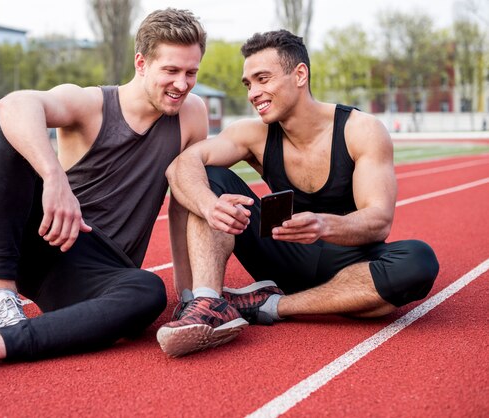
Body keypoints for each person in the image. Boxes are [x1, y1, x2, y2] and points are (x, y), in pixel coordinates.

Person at [0, 8, 208, 383]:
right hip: (52, 238)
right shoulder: (91, 104)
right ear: (141, 63)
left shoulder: (192, 115)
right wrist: (53, 177)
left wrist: (190, 294)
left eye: (191, 72)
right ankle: (2, 299)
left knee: (148, 291)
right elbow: (12, 104)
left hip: (101, 273)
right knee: (9, 137)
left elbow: (182, 204)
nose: (182, 83)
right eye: (171, 71)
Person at [157, 30, 440, 357]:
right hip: (282, 251)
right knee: (206, 176)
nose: (254, 93)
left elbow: (378, 221)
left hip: (346, 259)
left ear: (300, 74)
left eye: (263, 78)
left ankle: (271, 305)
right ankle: (209, 303)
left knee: (418, 262)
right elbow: (181, 165)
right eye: (248, 84)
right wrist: (209, 205)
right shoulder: (253, 134)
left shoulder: (360, 130)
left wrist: (323, 224)